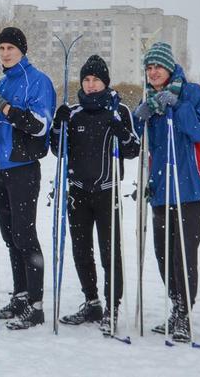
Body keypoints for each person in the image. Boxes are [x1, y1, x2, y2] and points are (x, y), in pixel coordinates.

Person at [52, 55, 139, 334]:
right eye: (87, 80)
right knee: (81, 250)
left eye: (96, 80)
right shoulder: (73, 112)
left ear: (105, 82)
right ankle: (92, 302)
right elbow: (57, 149)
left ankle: (112, 307)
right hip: (78, 192)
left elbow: (133, 149)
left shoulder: (119, 110)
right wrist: (58, 123)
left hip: (107, 191)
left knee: (109, 252)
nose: (90, 85)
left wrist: (121, 131)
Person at [0, 27, 55, 330]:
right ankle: (21, 296)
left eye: (11, 48)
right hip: (0, 167)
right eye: (2, 48)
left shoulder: (38, 81)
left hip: (23, 166)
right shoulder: (0, 82)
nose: (5, 53)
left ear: (22, 50)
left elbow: (38, 126)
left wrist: (6, 107)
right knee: (10, 237)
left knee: (24, 234)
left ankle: (35, 305)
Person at [133, 42, 200, 343]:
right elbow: (141, 142)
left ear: (169, 67)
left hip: (189, 186)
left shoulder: (192, 93)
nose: (153, 72)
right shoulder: (148, 97)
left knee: (183, 253)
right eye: (149, 68)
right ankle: (175, 304)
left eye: (158, 67)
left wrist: (177, 106)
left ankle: (184, 313)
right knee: (163, 254)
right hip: (161, 186)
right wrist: (139, 116)